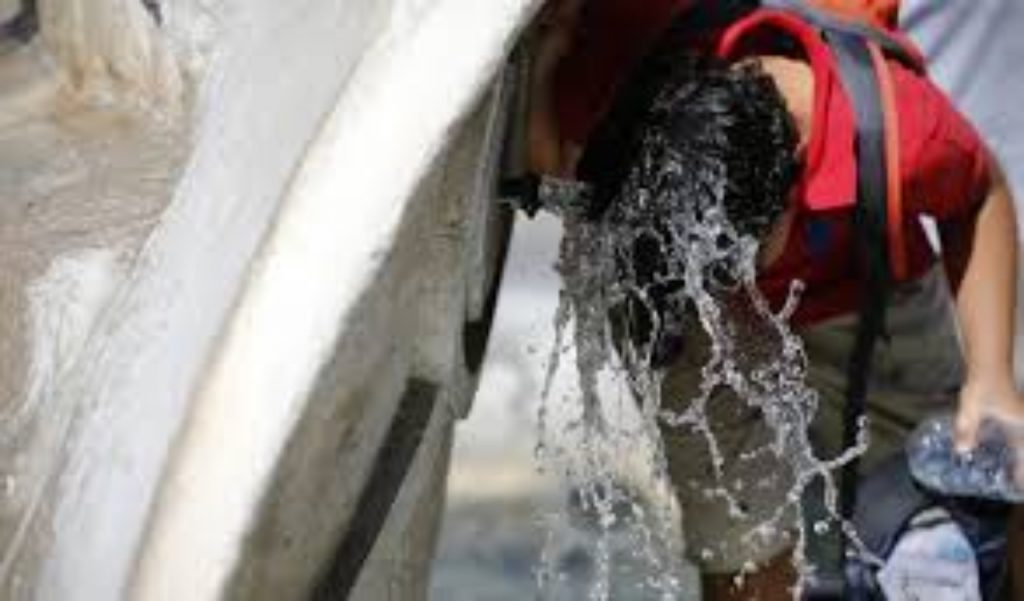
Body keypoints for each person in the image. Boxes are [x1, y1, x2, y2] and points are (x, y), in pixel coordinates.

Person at [528, 1, 1023, 599]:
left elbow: (981, 192)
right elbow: (558, 172)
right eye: (710, 276)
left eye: (732, 267)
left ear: (794, 189)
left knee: (971, 505)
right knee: (740, 552)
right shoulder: (614, 100)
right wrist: (543, 56)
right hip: (687, 324)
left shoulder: (892, 129)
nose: (731, 290)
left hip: (863, 284)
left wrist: (992, 377)